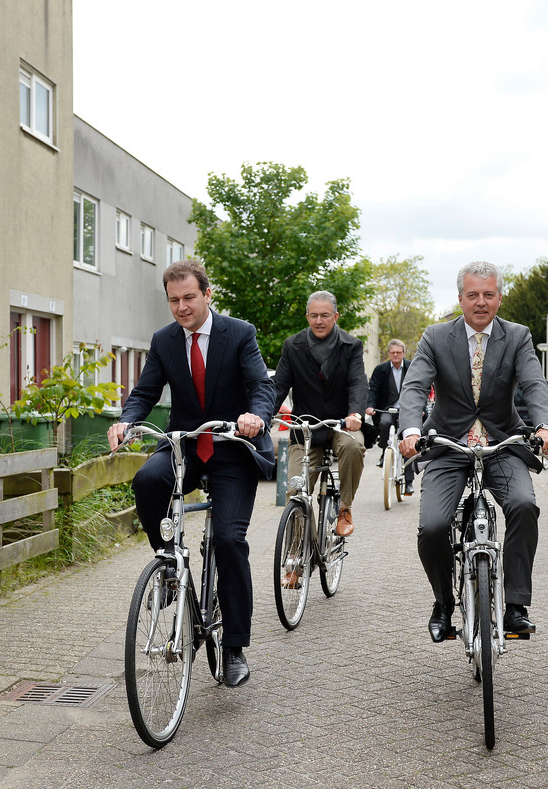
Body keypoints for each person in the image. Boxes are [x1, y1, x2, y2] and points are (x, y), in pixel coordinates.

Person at [108, 259, 275, 688]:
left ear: (207, 294)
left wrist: (255, 416)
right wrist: (127, 420)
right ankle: (168, 560)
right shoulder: (164, 341)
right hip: (185, 443)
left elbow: (261, 385)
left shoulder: (239, 333)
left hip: (231, 448)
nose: (182, 308)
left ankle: (234, 647)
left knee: (229, 539)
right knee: (147, 480)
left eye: (189, 298)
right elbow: (145, 391)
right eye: (174, 300)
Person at [398, 261, 548, 642]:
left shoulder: (518, 337)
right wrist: (409, 430)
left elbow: (535, 384)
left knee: (523, 505)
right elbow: (415, 386)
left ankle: (516, 606)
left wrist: (545, 426)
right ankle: (442, 603)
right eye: (473, 295)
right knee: (433, 526)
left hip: (501, 444)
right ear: (460, 299)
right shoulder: (435, 337)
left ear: (499, 298)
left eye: (489, 294)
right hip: (449, 445)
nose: (481, 302)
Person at [272, 290, 368, 542]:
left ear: (335, 316)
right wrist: (263, 416)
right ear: (307, 317)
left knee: (354, 445)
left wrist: (355, 413)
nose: (319, 321)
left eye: (325, 315)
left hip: (340, 423)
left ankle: (345, 508)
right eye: (313, 315)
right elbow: (279, 386)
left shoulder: (351, 346)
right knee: (295, 491)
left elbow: (358, 383)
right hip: (305, 427)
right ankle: (296, 558)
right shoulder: (293, 346)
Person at [365, 338, 415, 495]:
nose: (395, 355)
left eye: (398, 352)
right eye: (393, 352)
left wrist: (419, 408)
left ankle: (408, 483)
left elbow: (422, 387)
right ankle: (384, 451)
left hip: (408, 410)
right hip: (387, 409)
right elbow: (373, 389)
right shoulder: (381, 369)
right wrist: (370, 406)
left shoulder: (412, 367)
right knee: (384, 423)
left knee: (407, 442)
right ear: (389, 354)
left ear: (403, 353)